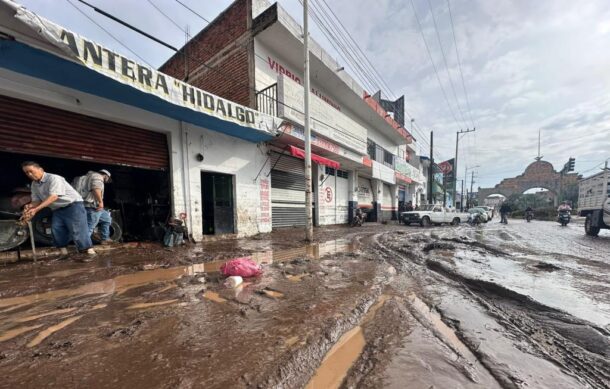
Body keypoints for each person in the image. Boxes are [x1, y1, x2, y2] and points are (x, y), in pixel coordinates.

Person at [20, 161, 96, 259]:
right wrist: (30, 206)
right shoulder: (34, 184)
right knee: (57, 229)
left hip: (73, 205)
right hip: (57, 208)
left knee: (77, 229)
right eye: (26, 173)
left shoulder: (54, 178)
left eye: (31, 171)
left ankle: (89, 253)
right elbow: (36, 200)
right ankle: (64, 253)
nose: (29, 174)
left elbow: (54, 197)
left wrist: (36, 209)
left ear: (41, 170)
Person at [73, 169, 112, 244]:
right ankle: (83, 245)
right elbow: (96, 189)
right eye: (107, 179)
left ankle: (105, 238)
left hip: (83, 204)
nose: (106, 181)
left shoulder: (82, 178)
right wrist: (100, 202)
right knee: (90, 226)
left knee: (106, 219)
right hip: (93, 205)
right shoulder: (98, 177)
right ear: (106, 176)